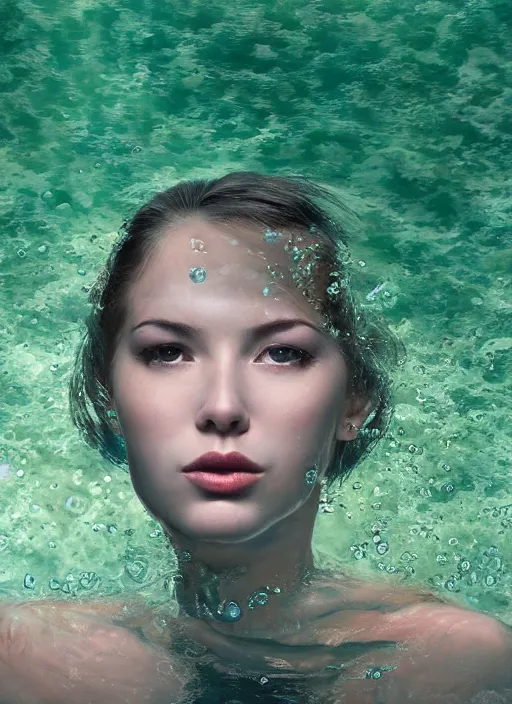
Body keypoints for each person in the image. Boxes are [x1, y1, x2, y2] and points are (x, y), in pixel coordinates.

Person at [1, 172, 511, 704]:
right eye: (168, 352)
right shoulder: (27, 661)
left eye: (282, 353)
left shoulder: (450, 662)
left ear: (353, 400)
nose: (223, 407)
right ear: (108, 397)